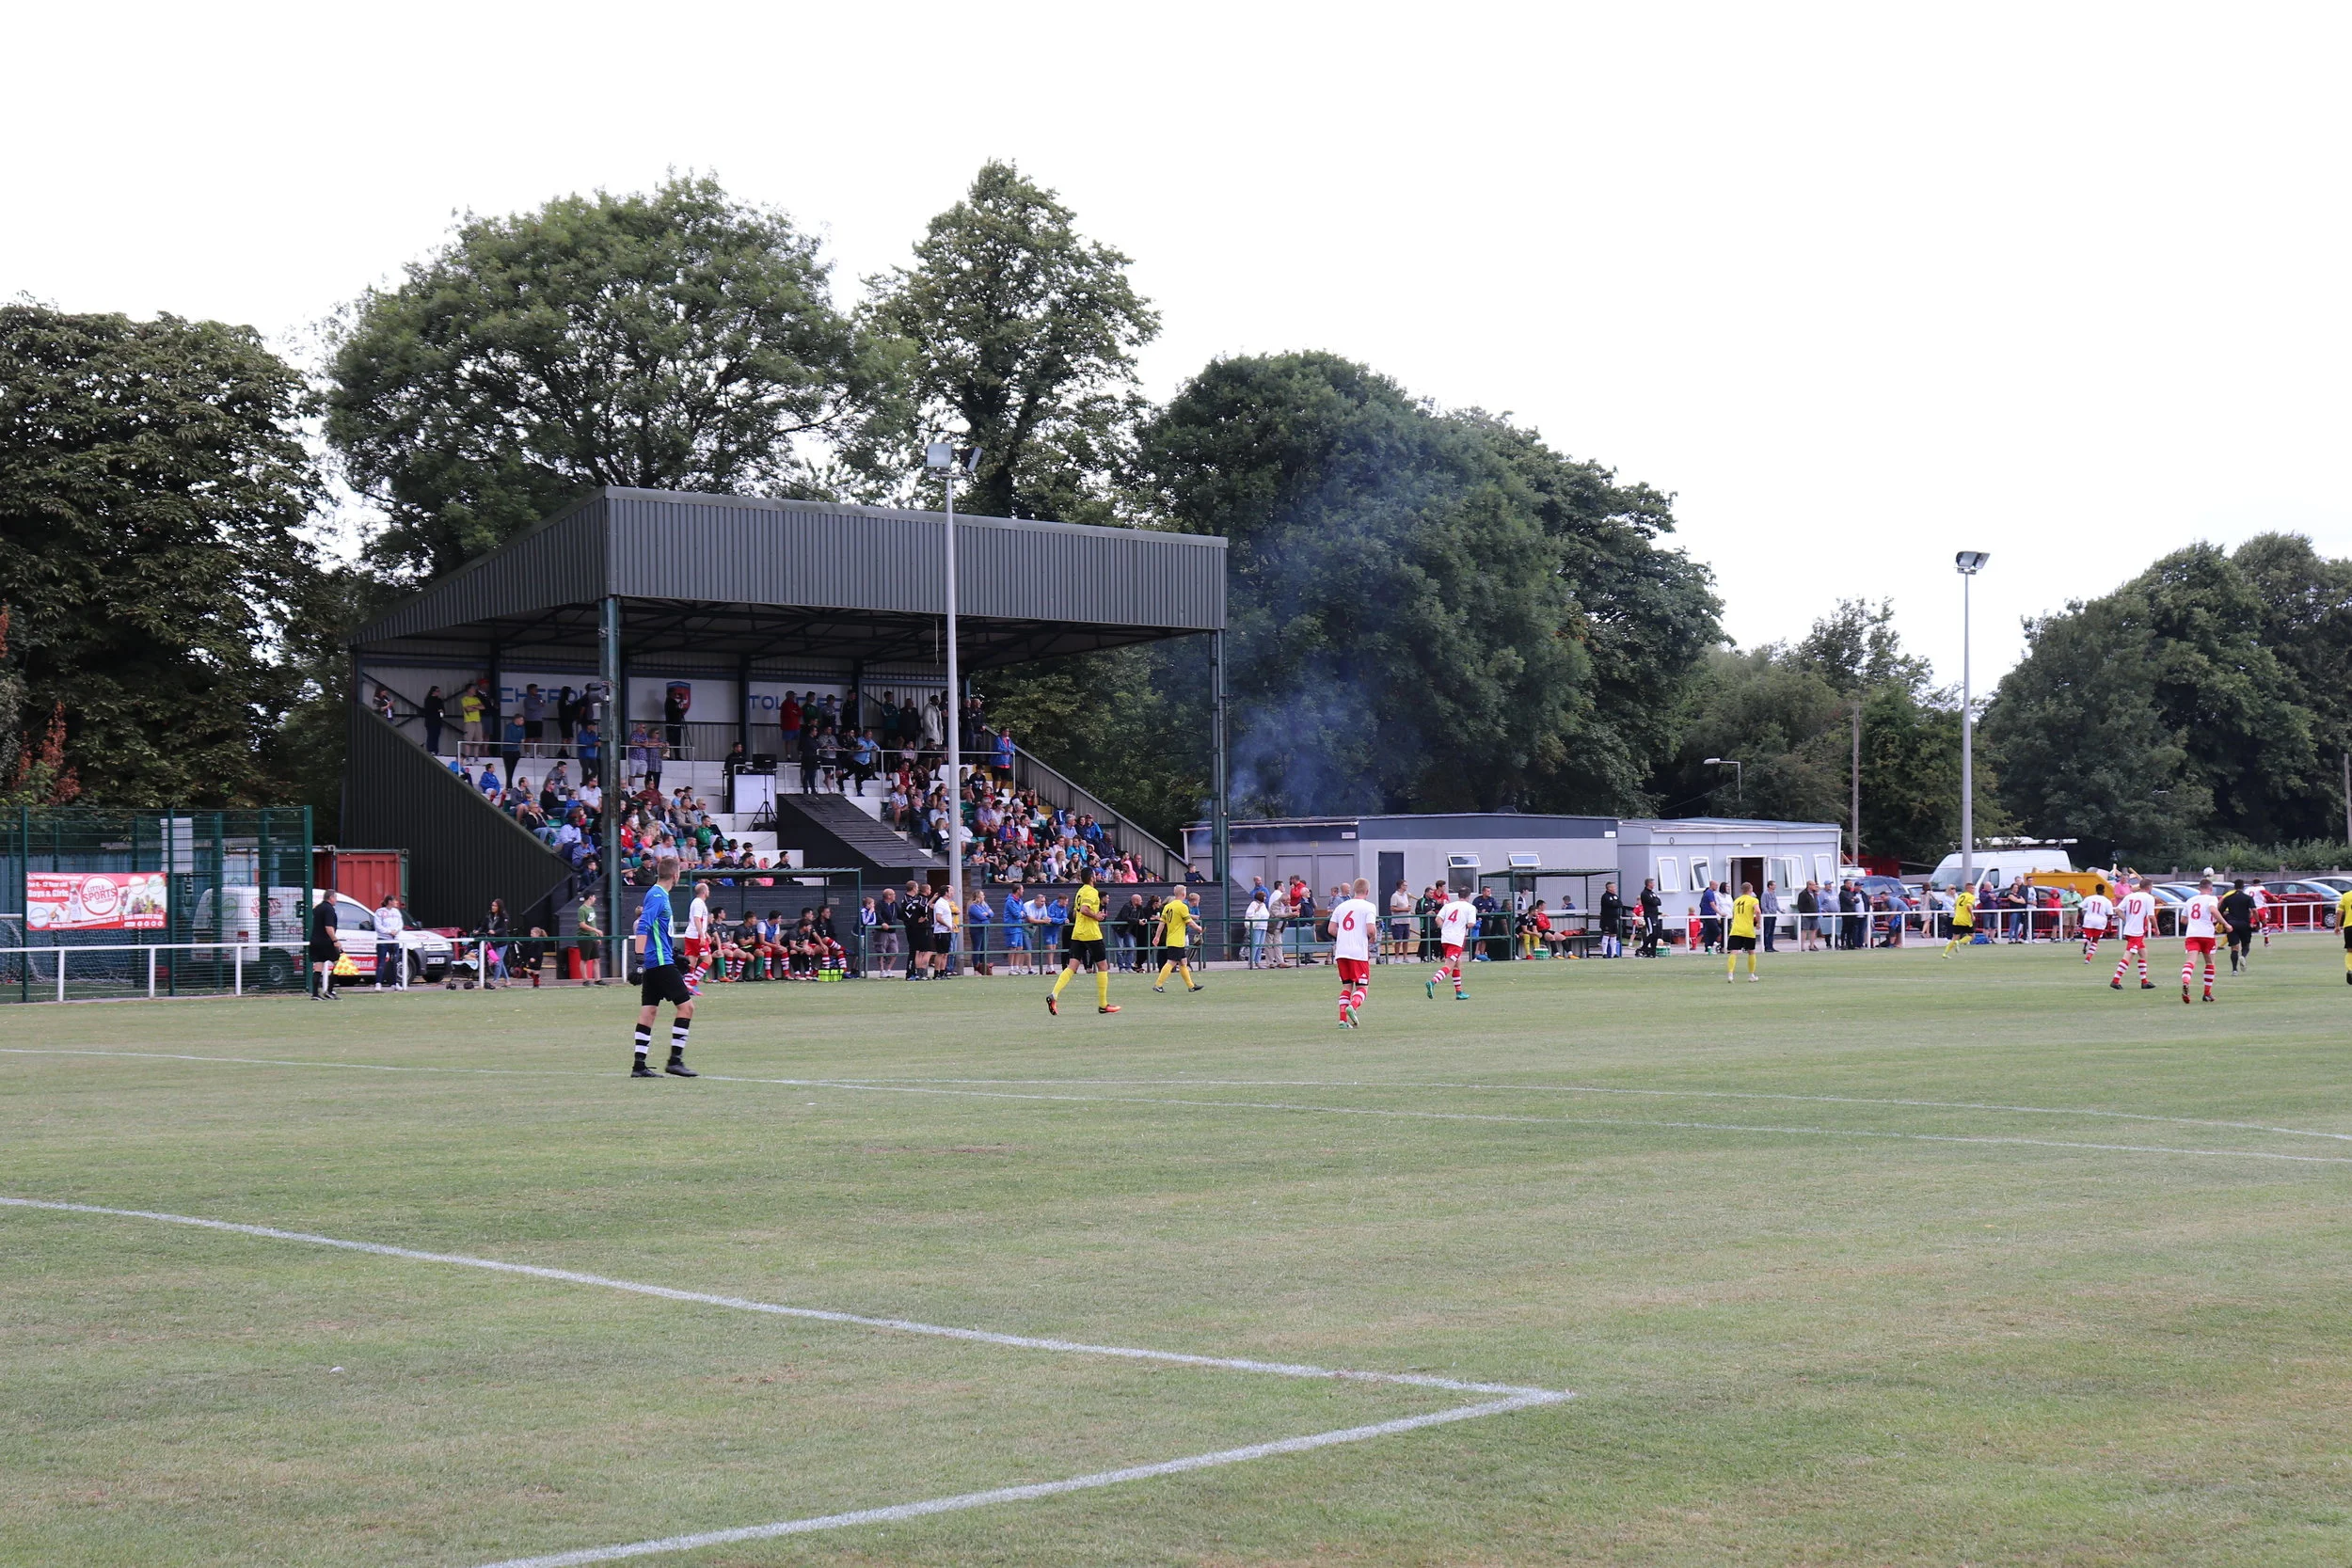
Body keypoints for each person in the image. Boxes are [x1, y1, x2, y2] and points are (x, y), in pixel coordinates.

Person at [629, 858, 698, 1078]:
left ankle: (639, 1066)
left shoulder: (658, 894)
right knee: (687, 1008)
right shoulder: (658, 895)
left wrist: (675, 955)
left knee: (649, 1011)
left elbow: (658, 932)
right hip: (658, 963)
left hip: (658, 961)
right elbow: (644, 926)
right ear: (676, 875)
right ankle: (675, 1061)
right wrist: (639, 961)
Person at [1047, 865, 1120, 1015]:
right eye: (1095, 875)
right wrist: (1096, 916)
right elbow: (1085, 910)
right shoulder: (1091, 891)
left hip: (1078, 932)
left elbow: (1076, 912)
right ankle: (1103, 1004)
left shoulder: (1080, 891)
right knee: (1103, 966)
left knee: (1072, 967)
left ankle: (1054, 995)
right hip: (1091, 933)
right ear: (1092, 877)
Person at [1330, 877, 1378, 1027]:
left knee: (1346, 986)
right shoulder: (1369, 906)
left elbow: (1331, 929)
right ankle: (1353, 1006)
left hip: (1342, 952)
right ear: (1367, 891)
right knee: (1362, 987)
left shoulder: (1342, 906)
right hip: (1358, 952)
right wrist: (1373, 936)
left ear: (1354, 890)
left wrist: (1345, 936)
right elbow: (1370, 929)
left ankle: (1343, 1020)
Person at [2181, 876, 2226, 1003]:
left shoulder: (2190, 900)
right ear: (2210, 889)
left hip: (2192, 934)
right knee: (2210, 963)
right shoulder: (2211, 899)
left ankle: (2186, 980)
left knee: (2190, 962)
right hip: (2206, 934)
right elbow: (2213, 910)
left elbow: (2183, 920)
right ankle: (2207, 993)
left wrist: (2195, 922)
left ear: (2199, 888)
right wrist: (2225, 923)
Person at [1429, 885, 1477, 1000]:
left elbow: (1437, 919)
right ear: (1468, 897)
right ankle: (1432, 982)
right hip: (1456, 939)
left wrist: (1444, 928)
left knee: (1457, 964)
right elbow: (1471, 924)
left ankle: (1459, 992)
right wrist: (1462, 926)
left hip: (1445, 938)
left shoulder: (1448, 905)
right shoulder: (1470, 907)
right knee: (1449, 965)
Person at [1152, 887, 1203, 993]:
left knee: (1183, 962)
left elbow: (1162, 923)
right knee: (1171, 962)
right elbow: (1189, 921)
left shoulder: (1168, 907)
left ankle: (1191, 986)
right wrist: (1198, 928)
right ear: (1184, 894)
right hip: (1177, 940)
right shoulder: (1182, 906)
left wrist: (1157, 937)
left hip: (1171, 938)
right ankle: (1158, 985)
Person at [2110, 878, 2159, 990]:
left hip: (2131, 929)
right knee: (2129, 954)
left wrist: (2127, 920)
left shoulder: (2130, 896)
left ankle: (2144, 981)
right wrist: (2156, 928)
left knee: (2143, 953)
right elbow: (2151, 916)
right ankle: (2115, 980)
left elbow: (2117, 910)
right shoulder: (2149, 898)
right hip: (2136, 931)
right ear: (2149, 887)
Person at [1725, 880, 1762, 982]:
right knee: (1751, 951)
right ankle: (1751, 975)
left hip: (1736, 929)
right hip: (1748, 930)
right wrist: (1758, 923)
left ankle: (1730, 975)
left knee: (1733, 951)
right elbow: (1758, 911)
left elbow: (1733, 914)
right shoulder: (1753, 900)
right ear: (1751, 890)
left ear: (1742, 890)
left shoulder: (1736, 900)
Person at [681, 880, 712, 993]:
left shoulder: (696, 902)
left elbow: (699, 921)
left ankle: (686, 986)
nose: (709, 892)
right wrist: (702, 935)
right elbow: (697, 919)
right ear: (704, 892)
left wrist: (706, 934)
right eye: (708, 890)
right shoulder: (699, 903)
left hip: (690, 935)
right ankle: (692, 984)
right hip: (696, 936)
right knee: (708, 960)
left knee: (692, 963)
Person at [310, 894, 341, 1000]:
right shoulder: (329, 909)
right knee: (339, 964)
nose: (336, 900)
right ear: (331, 897)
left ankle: (315, 994)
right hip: (326, 942)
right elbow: (328, 927)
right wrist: (335, 940)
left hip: (315, 941)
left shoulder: (317, 908)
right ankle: (330, 991)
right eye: (335, 897)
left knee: (318, 967)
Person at [373, 893, 407, 990]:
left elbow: (400, 924)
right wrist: (389, 932)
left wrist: (396, 931)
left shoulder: (396, 912)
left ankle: (394, 983)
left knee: (394, 962)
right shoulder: (380, 912)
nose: (396, 902)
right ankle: (378, 983)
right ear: (389, 902)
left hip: (394, 940)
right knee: (381, 962)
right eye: (395, 900)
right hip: (383, 940)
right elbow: (378, 926)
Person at [2079, 880, 2113, 963]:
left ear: (2096, 890)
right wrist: (2107, 920)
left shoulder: (2089, 898)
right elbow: (2110, 914)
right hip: (2100, 921)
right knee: (2095, 940)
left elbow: (2080, 908)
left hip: (2089, 920)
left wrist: (2082, 917)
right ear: (2104, 891)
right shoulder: (2107, 901)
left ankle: (2085, 943)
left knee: (2087, 936)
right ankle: (2088, 958)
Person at [576, 891, 606, 986]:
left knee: (596, 958)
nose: (595, 899)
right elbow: (582, 924)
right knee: (584, 959)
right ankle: (585, 980)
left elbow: (592, 923)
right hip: (584, 937)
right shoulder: (582, 909)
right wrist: (596, 930)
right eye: (594, 897)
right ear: (590, 897)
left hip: (592, 937)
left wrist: (596, 936)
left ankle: (598, 979)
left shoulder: (592, 909)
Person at [1942, 882, 1978, 958]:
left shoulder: (1960, 896)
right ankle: (1959, 942)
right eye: (1972, 888)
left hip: (1957, 919)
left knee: (1954, 938)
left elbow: (1955, 906)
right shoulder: (1971, 896)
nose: (1973, 890)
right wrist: (1972, 915)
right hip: (1965, 920)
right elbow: (1968, 906)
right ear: (1967, 889)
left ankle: (1945, 953)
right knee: (1972, 936)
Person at [1637, 879, 1663, 958]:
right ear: (1649, 884)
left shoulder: (1652, 893)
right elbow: (1654, 902)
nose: (1654, 885)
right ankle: (1643, 948)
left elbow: (1659, 902)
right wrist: (1655, 900)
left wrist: (1656, 900)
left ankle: (1653, 952)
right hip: (1649, 916)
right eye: (1652, 883)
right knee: (1652, 933)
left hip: (1655, 916)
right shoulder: (1645, 893)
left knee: (1656, 934)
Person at [459, 681, 485, 756]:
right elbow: (467, 709)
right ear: (469, 690)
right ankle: (467, 757)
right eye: (473, 689)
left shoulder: (476, 699)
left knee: (478, 740)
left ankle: (476, 757)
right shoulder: (464, 699)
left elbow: (483, 707)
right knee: (468, 740)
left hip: (478, 721)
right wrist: (476, 707)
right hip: (469, 721)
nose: (475, 690)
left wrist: (473, 706)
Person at [1597, 881, 1623, 958]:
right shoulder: (1605, 896)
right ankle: (1604, 953)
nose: (1615, 888)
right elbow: (1612, 904)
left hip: (1614, 919)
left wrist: (1615, 903)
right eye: (1613, 887)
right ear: (1609, 888)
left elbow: (1620, 904)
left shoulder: (1615, 896)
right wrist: (1615, 903)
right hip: (1606, 919)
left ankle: (1614, 953)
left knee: (1614, 935)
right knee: (1606, 935)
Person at [421, 685, 446, 755]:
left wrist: (441, 713)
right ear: (433, 692)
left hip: (438, 721)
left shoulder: (439, 700)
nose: (439, 693)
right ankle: (430, 750)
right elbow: (428, 710)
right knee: (431, 735)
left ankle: (436, 750)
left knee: (437, 736)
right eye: (437, 691)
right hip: (430, 721)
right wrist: (437, 710)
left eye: (439, 691)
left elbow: (442, 710)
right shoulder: (428, 700)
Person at [1758, 881, 1781, 954]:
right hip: (1768, 916)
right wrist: (1768, 913)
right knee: (1767, 931)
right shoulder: (1765, 894)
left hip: (1773, 914)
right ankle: (1767, 947)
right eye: (1774, 885)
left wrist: (1780, 910)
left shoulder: (1774, 893)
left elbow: (1776, 904)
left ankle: (1771, 946)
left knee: (1771, 931)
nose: (1775, 886)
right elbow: (1763, 905)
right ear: (1770, 886)